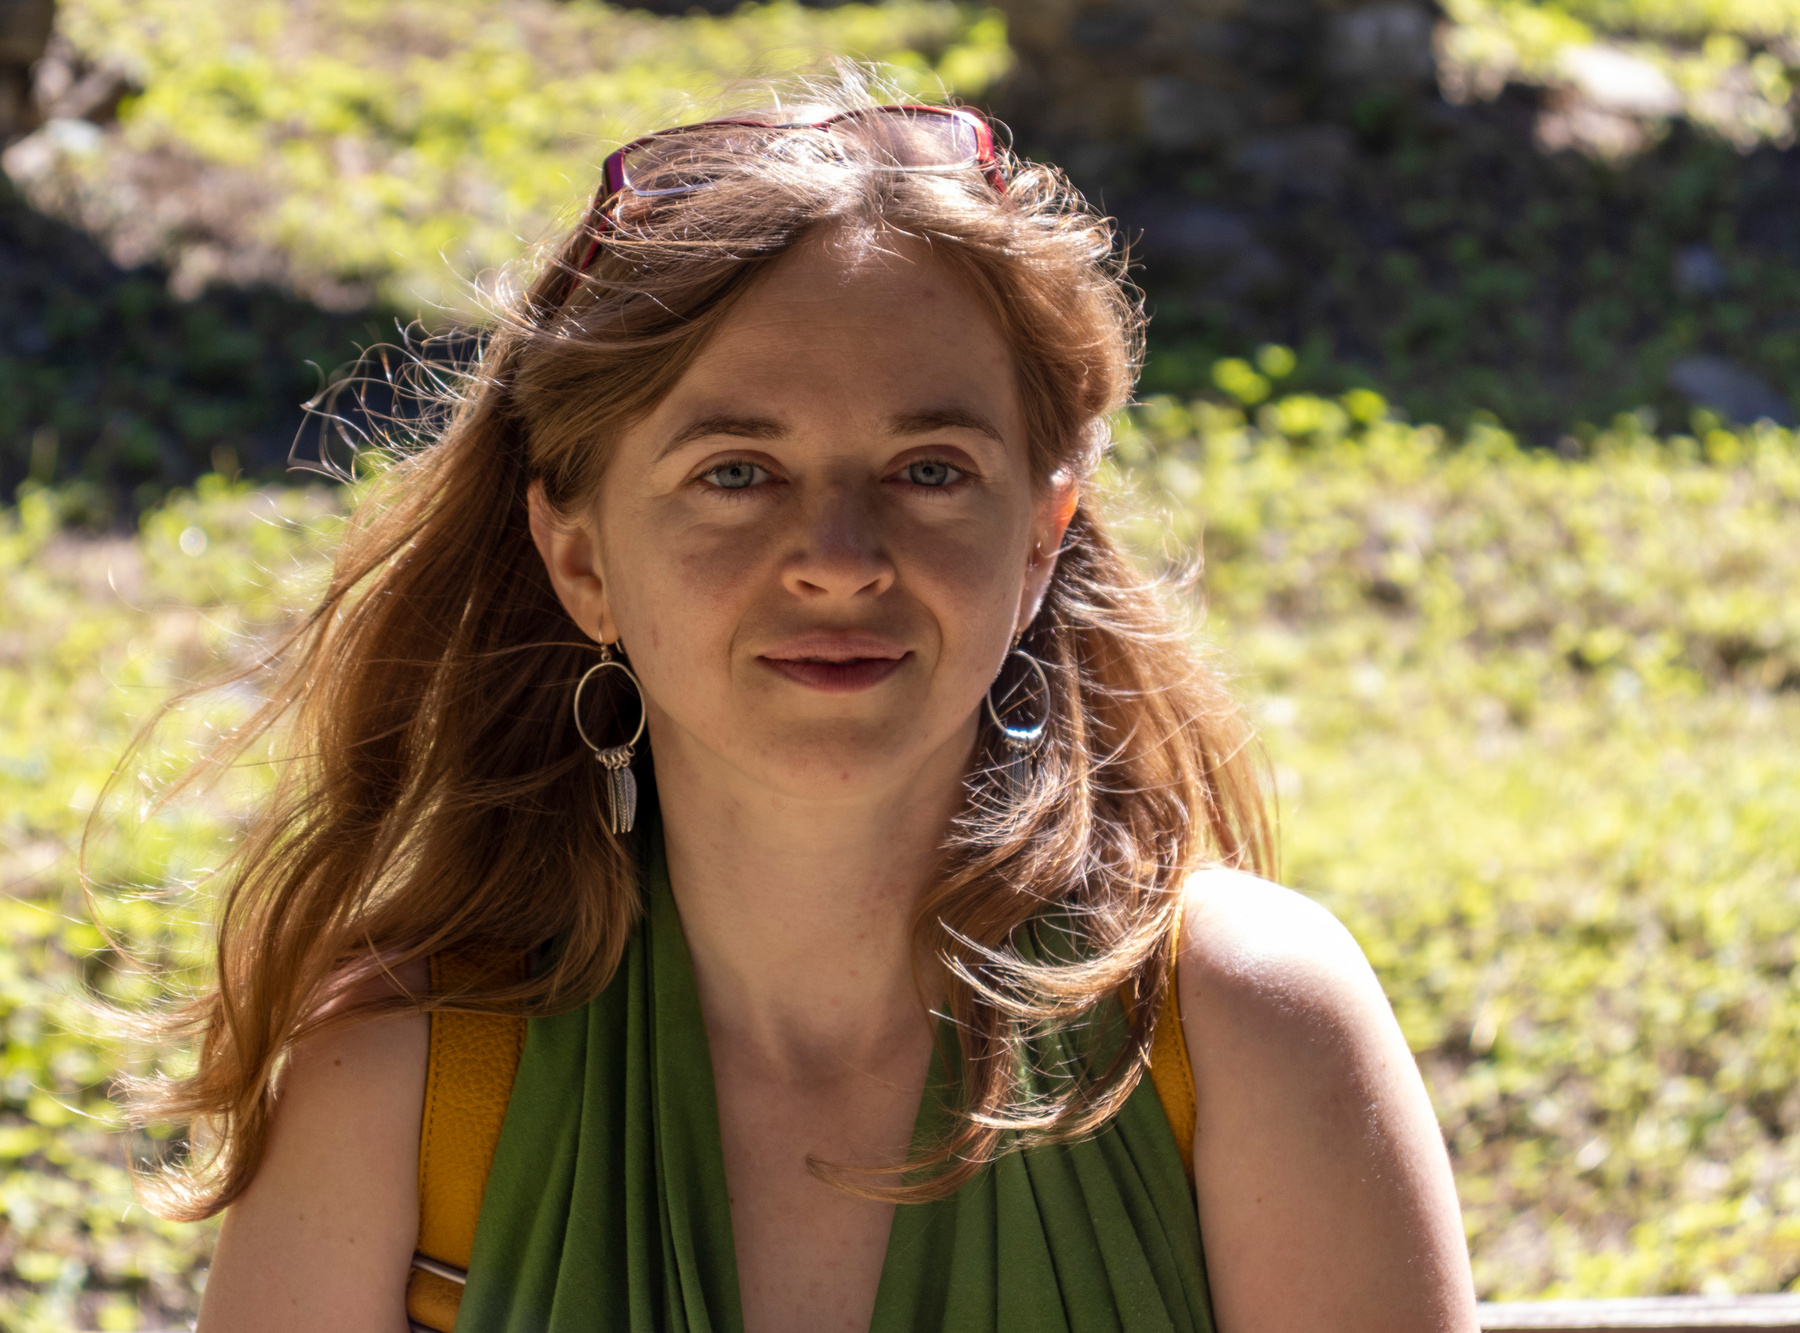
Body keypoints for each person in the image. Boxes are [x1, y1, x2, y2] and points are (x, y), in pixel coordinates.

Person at [138, 81, 1478, 1332]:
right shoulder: (405, 1081)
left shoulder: (1246, 1033)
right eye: (736, 472)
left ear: (1038, 536)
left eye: (930, 469)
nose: (839, 558)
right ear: (581, 558)